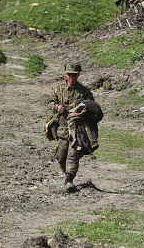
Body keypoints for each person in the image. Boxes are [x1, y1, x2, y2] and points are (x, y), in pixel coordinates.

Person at [48, 62, 98, 192]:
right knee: (61, 156)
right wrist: (56, 107)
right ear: (65, 74)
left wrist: (83, 114)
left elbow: (93, 108)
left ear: (78, 75)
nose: (71, 78)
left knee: (73, 154)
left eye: (74, 75)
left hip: (77, 130)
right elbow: (50, 102)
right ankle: (67, 173)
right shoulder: (58, 89)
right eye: (69, 74)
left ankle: (69, 180)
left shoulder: (85, 92)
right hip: (62, 129)